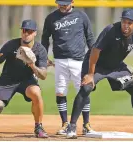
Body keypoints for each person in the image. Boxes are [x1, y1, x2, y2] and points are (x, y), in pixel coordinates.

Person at [66, 9, 133, 139]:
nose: (126, 25)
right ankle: (72, 126)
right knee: (86, 87)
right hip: (97, 64)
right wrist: (91, 74)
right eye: (124, 21)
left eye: (129, 22)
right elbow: (95, 51)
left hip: (116, 66)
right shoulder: (110, 30)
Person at [0, 20, 49, 138]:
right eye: (24, 30)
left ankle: (38, 126)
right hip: (7, 80)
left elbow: (43, 75)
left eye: (29, 31)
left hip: (26, 80)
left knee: (36, 93)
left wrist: (32, 65)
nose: (26, 33)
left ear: (35, 33)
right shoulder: (11, 45)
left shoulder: (40, 49)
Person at [41, 0, 95, 135]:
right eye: (60, 3)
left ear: (72, 2)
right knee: (60, 91)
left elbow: (89, 37)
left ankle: (86, 124)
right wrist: (43, 57)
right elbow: (45, 39)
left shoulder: (81, 16)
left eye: (65, 3)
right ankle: (65, 124)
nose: (62, 5)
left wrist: (93, 58)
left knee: (83, 91)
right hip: (59, 60)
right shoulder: (51, 18)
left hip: (79, 60)